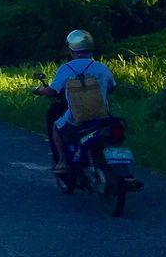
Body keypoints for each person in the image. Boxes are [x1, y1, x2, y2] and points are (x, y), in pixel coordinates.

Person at [31, 29, 117, 173]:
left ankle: (63, 162)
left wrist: (38, 90)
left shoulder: (67, 68)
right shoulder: (102, 67)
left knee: (56, 128)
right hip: (103, 115)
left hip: (76, 116)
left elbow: (53, 90)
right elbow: (112, 87)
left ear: (71, 50)